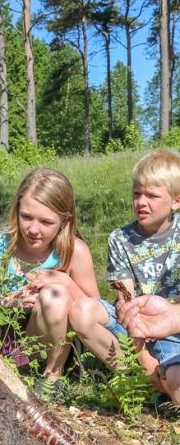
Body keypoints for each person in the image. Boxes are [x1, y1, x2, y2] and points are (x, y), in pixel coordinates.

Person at [68, 149, 180, 404]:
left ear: (176, 201)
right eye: (136, 194)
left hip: (174, 329)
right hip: (135, 329)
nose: (141, 202)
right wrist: (145, 361)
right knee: (82, 311)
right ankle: (137, 380)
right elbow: (126, 304)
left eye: (152, 195)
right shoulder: (120, 238)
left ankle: (165, 381)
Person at [0, 168, 99, 386]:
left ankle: (52, 378)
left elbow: (96, 313)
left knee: (55, 295)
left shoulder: (73, 252)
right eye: (26, 217)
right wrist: (5, 302)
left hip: (44, 348)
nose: (33, 229)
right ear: (16, 210)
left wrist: (66, 283)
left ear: (64, 220)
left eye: (46, 222)